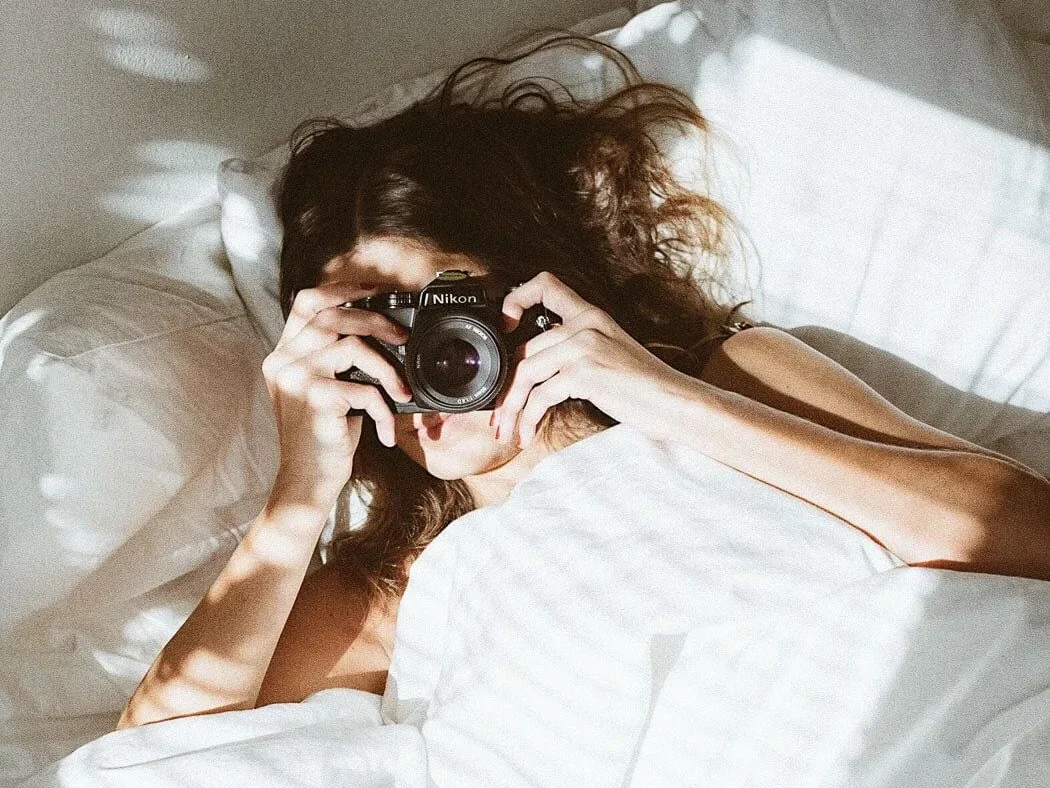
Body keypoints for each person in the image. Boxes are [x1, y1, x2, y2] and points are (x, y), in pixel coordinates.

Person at [117, 33, 1050, 730]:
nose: (419, 358)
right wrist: (300, 489)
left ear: (527, 294)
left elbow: (1029, 536)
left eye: (442, 311)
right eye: (373, 326)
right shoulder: (385, 592)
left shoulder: (737, 375)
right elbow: (149, 765)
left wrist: (670, 402)